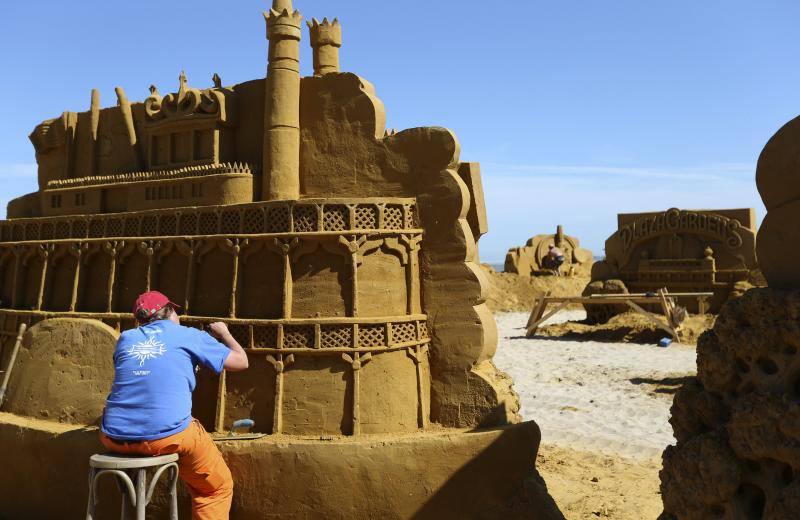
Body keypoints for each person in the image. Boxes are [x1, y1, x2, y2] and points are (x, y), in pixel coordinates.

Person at [99, 290, 249, 519]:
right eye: (176, 312)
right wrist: (225, 333)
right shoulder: (188, 335)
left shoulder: (126, 339)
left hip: (113, 437)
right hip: (164, 438)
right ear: (169, 312)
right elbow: (242, 362)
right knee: (215, 489)